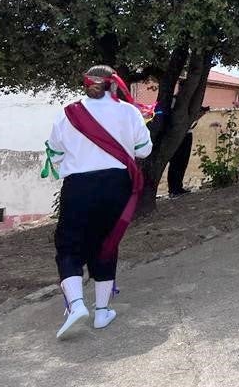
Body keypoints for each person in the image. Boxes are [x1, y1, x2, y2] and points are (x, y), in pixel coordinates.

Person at [43, 65, 153, 339]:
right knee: (106, 243)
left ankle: (77, 304)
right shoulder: (129, 112)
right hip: (117, 186)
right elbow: (144, 150)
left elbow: (54, 155)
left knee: (69, 244)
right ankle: (102, 311)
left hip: (79, 186)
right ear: (114, 85)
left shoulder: (68, 114)